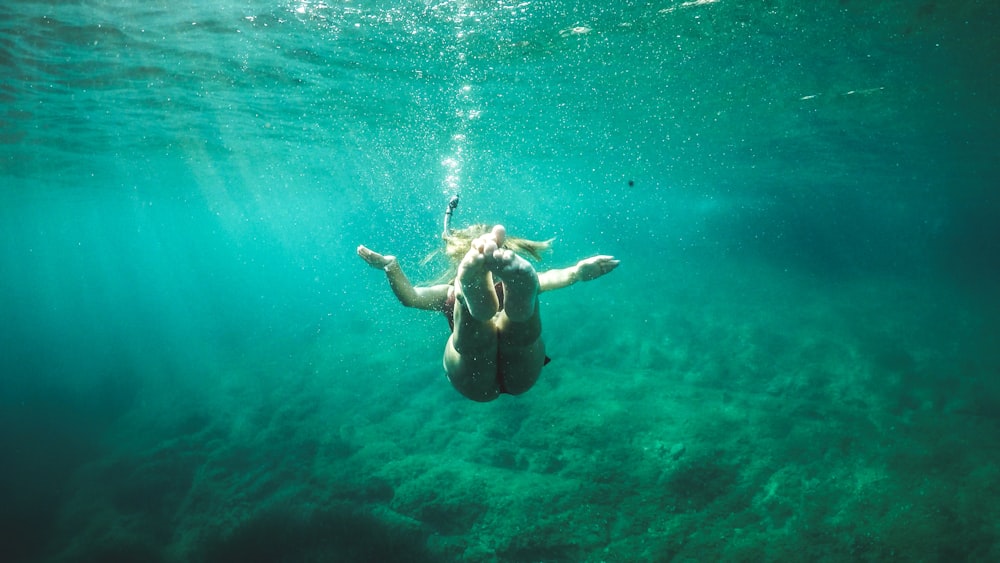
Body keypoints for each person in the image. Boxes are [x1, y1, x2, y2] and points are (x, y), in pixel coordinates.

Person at [357, 203, 619, 402]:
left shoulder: (445, 292)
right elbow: (554, 277)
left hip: (472, 381)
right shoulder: (452, 291)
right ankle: (500, 298)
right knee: (522, 333)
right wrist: (578, 273)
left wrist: (392, 267)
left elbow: (411, 298)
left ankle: (471, 300)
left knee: (474, 342)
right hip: (524, 374)